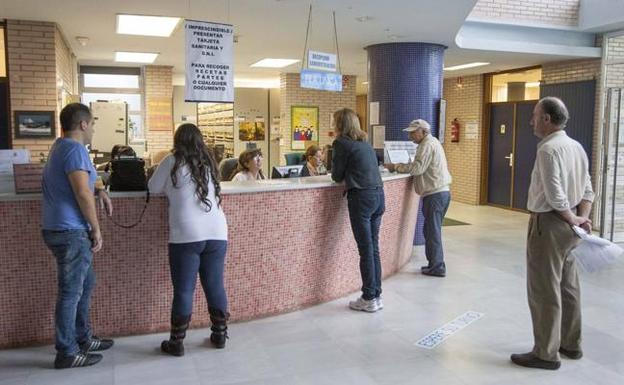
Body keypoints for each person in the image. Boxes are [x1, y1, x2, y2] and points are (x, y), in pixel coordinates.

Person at [511, 97, 594, 370]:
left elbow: (553, 191)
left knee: (544, 289)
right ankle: (571, 344)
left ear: (547, 119)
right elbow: (588, 188)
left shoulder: (548, 149)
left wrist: (571, 217)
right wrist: (581, 217)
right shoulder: (576, 147)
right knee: (568, 287)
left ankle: (545, 354)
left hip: (549, 224)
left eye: (535, 115)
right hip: (570, 226)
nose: (532, 120)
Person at [41, 103, 114, 369]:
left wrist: (100, 189)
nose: (93, 129)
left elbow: (85, 183)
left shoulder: (61, 146)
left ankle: (83, 338)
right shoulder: (73, 149)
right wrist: (95, 228)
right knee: (71, 292)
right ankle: (67, 351)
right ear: (83, 124)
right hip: (70, 230)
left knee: (85, 284)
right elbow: (81, 192)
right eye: (92, 124)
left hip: (58, 227)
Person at [148, 123, 229, 356]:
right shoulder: (209, 162)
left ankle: (177, 342)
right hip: (217, 232)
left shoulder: (172, 161)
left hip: (186, 235)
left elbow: (153, 188)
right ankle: (220, 334)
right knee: (214, 284)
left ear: (177, 141)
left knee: (184, 290)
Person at [331, 108, 385, 312]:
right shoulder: (365, 143)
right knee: (373, 247)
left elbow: (336, 176)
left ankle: (368, 297)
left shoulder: (340, 143)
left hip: (361, 198)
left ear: (340, 124)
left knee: (366, 250)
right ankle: (376, 295)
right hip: (379, 196)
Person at [385, 119, 452, 277]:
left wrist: (396, 167)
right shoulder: (432, 142)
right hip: (440, 193)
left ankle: (437, 266)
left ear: (423, 131)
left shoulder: (426, 145)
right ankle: (435, 264)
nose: (410, 136)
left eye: (413, 132)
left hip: (435, 194)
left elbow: (417, 168)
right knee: (430, 230)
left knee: (432, 231)